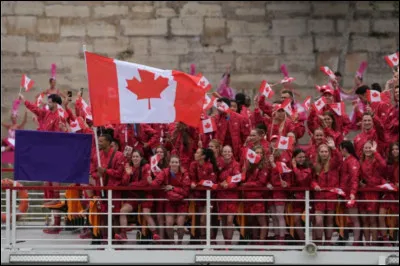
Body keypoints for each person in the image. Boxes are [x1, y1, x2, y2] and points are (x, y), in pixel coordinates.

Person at [116, 150, 158, 241]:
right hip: (134, 195)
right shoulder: (129, 167)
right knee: (122, 211)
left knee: (146, 213)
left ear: (141, 158)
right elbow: (124, 183)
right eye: (133, 156)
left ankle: (155, 234)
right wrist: (128, 174)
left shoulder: (146, 167)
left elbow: (145, 183)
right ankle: (123, 234)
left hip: (146, 194)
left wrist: (131, 185)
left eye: (137, 156)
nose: (135, 158)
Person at [151, 156, 191, 244]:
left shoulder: (185, 173)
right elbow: (156, 183)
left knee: (180, 224)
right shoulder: (165, 172)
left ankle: (179, 243)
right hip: (170, 201)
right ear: (169, 163)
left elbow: (186, 192)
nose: (174, 164)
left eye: (176, 162)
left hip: (182, 202)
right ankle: (173, 243)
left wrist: (173, 188)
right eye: (172, 162)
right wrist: (150, 183)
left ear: (179, 163)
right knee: (169, 224)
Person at [311, 139, 342, 246]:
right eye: (322, 151)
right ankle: (319, 242)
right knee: (319, 221)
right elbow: (312, 179)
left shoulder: (333, 163)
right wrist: (315, 185)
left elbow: (339, 158)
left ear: (329, 153)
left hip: (331, 196)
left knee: (329, 220)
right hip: (319, 196)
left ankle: (328, 242)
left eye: (326, 151)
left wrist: (334, 148)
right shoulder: (315, 165)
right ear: (318, 153)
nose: (324, 153)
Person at [359, 141, 387, 246]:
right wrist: (359, 182)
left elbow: (384, 165)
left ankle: (374, 244)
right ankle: (367, 244)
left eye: (369, 147)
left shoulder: (376, 160)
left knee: (373, 220)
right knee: (365, 221)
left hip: (373, 194)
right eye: (365, 148)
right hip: (362, 194)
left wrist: (375, 152)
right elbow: (356, 176)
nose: (367, 150)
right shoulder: (360, 161)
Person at [189, 148, 218, 242]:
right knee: (202, 221)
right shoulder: (193, 164)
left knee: (204, 219)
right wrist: (193, 182)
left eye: (197, 152)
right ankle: (203, 240)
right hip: (199, 196)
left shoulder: (210, 166)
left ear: (203, 156)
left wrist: (197, 184)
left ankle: (211, 241)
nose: (195, 154)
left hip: (210, 196)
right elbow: (192, 178)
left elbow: (211, 182)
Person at [241, 145, 268, 245]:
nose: (259, 155)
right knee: (253, 222)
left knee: (262, 222)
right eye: (257, 152)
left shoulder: (264, 167)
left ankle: (261, 243)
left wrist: (247, 184)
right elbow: (242, 179)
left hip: (258, 197)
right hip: (248, 198)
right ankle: (255, 241)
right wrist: (244, 170)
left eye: (261, 153)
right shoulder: (249, 166)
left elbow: (261, 182)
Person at [217, 145, 241, 246]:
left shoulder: (236, 164)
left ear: (232, 153)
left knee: (230, 220)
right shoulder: (218, 164)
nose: (227, 153)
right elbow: (214, 178)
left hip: (232, 195)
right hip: (221, 195)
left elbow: (237, 178)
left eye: (229, 151)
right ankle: (225, 242)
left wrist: (228, 184)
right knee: (223, 221)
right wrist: (220, 184)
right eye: (225, 151)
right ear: (222, 153)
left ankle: (229, 243)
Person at [339, 141, 362, 246]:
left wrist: (352, 193)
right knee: (350, 219)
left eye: (340, 149)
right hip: (345, 194)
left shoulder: (352, 161)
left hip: (351, 194)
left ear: (344, 149)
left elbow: (355, 179)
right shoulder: (346, 160)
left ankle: (356, 242)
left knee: (354, 219)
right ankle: (355, 241)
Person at [291, 148, 312, 243]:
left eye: (303, 157)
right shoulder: (290, 167)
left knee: (309, 221)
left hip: (308, 199)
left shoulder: (309, 167)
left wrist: (294, 167)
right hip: (296, 199)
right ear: (294, 158)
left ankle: (310, 241)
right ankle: (303, 241)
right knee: (296, 221)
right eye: (299, 157)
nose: (302, 159)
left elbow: (301, 179)